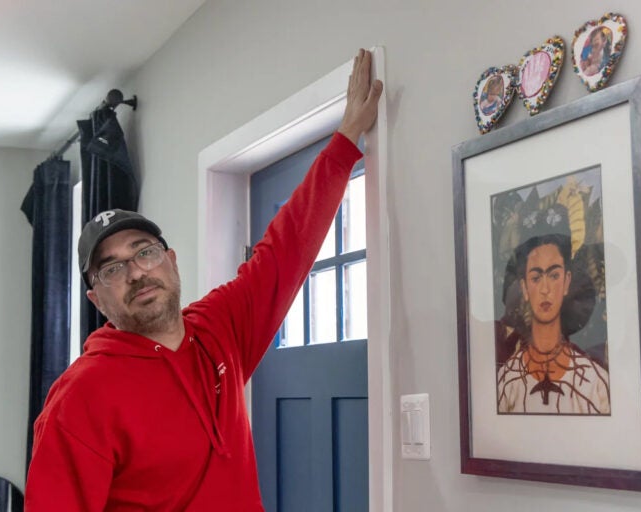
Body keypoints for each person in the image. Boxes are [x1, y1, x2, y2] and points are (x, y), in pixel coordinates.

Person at [24, 49, 383, 511]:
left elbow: (286, 250)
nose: (136, 272)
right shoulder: (80, 398)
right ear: (96, 298)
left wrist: (347, 137)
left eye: (144, 252)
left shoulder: (221, 328)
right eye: (113, 268)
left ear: (170, 261)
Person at [496, 204, 610, 414]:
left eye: (554, 275)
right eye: (536, 277)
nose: (546, 289)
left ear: (567, 281)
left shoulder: (594, 382)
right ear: (524, 287)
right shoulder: (507, 382)